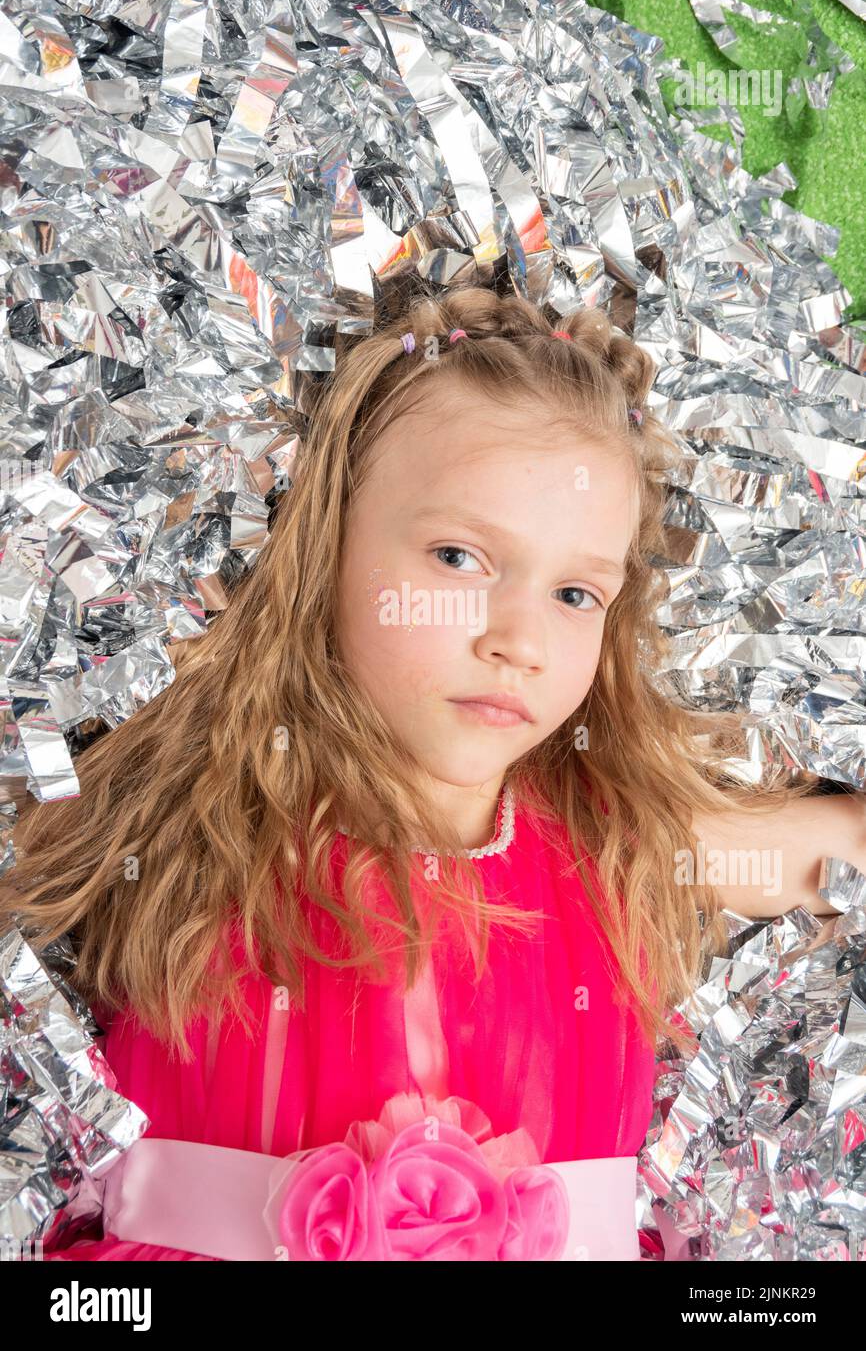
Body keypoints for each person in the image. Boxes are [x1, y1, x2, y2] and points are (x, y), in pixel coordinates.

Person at [3, 286, 862, 1261]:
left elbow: (839, 849)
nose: (520, 640)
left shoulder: (624, 848)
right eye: (458, 556)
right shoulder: (190, 806)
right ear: (324, 547)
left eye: (574, 591)